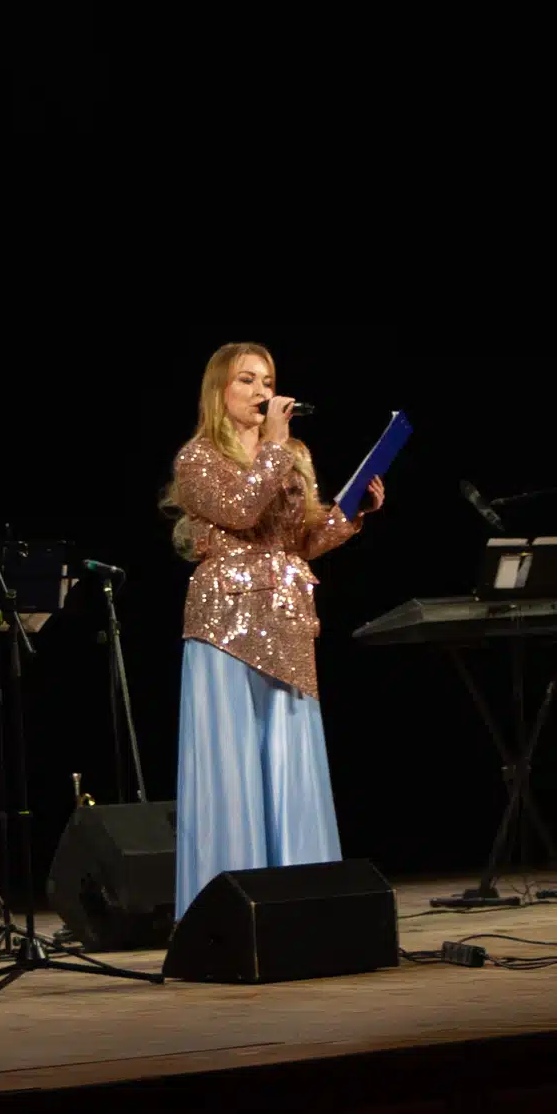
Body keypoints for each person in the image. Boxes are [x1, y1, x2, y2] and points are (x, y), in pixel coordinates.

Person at [159, 342, 385, 920]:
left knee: (291, 761)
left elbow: (300, 540)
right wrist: (277, 450)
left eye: (268, 380)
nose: (262, 392)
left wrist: (351, 514)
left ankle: (305, 905)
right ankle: (226, 913)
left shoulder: (292, 453)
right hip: (226, 623)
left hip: (286, 619)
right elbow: (238, 512)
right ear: (219, 390)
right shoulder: (198, 457)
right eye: (247, 380)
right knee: (232, 766)